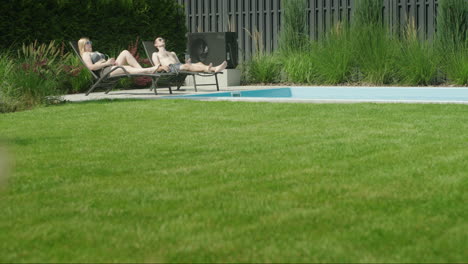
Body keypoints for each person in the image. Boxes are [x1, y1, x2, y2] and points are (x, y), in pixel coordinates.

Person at [78, 37, 160, 76]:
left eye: (90, 42)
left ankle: (143, 71)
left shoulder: (94, 52)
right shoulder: (85, 54)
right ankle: (149, 70)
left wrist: (110, 62)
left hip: (110, 67)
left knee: (125, 52)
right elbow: (91, 67)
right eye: (88, 43)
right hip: (104, 71)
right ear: (83, 46)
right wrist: (106, 63)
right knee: (125, 68)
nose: (90, 44)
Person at [152, 37, 227, 74]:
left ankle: (212, 69)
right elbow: (157, 68)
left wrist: (186, 62)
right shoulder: (155, 54)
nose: (162, 40)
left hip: (178, 66)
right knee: (187, 66)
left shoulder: (172, 53)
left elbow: (180, 64)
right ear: (156, 44)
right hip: (170, 68)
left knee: (199, 63)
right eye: (160, 40)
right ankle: (213, 69)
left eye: (163, 39)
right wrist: (162, 67)